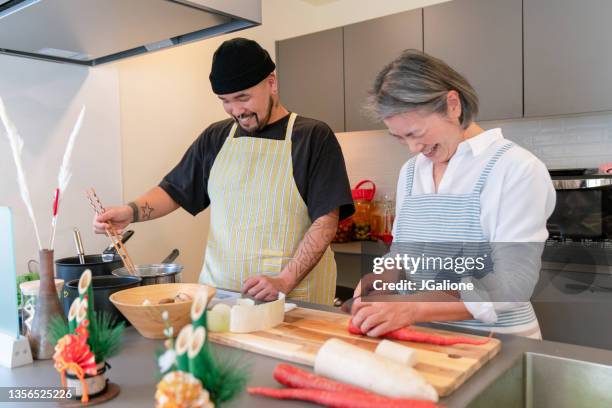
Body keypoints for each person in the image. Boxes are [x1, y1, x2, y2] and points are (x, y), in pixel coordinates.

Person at [93, 38, 354, 305]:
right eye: (225, 101)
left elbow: (326, 222)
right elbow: (174, 191)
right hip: (221, 298)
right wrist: (130, 212)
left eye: (243, 97)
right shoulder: (216, 137)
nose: (236, 111)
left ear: (271, 82)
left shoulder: (313, 137)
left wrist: (284, 281)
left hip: (293, 300)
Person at [351, 50, 556, 339]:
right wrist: (380, 278)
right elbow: (402, 254)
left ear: (452, 105)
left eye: (415, 133)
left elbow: (512, 283)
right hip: (421, 339)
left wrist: (410, 308)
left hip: (495, 342)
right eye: (400, 138)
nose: (412, 149)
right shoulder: (411, 172)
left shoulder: (517, 168)